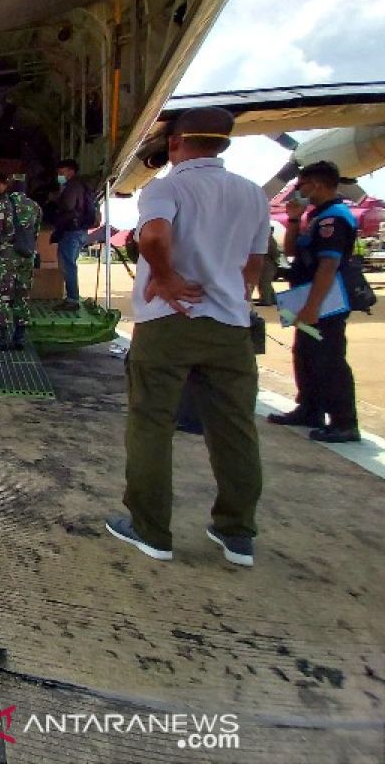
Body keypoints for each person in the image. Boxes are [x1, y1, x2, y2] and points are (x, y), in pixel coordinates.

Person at [105, 107, 269, 568]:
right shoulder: (252, 194)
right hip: (229, 327)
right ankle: (237, 533)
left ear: (176, 143)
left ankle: (150, 529)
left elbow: (154, 234)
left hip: (170, 321)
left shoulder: (167, 187)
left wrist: (167, 275)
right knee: (234, 429)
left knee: (152, 423)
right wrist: (232, 296)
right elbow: (255, 263)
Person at [267, 161, 361, 443]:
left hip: (325, 303)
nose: (298, 191)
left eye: (301, 186)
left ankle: (344, 422)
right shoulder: (317, 216)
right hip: (309, 299)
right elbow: (294, 250)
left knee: (328, 360)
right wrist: (295, 219)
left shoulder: (335, 218)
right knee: (305, 355)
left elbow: (328, 266)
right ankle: (310, 408)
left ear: (316, 184)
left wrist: (312, 307)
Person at [0, 174, 42, 348]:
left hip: (6, 257)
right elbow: (35, 233)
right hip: (27, 255)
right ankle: (19, 338)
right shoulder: (35, 206)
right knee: (22, 296)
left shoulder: (2, 205)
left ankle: (1, 337)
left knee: (3, 296)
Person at [52, 158, 94, 310]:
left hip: (71, 230)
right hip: (80, 230)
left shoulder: (72, 186)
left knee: (68, 265)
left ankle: (72, 299)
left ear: (71, 171)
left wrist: (57, 200)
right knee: (69, 263)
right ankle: (71, 297)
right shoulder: (83, 185)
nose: (59, 176)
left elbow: (68, 205)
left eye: (61, 173)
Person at [253, 233, 279, 306]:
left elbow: (273, 249)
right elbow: (274, 251)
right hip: (266, 262)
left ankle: (267, 301)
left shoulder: (264, 235)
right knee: (266, 283)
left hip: (266, 262)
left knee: (264, 283)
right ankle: (272, 300)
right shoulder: (265, 235)